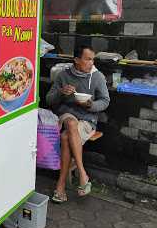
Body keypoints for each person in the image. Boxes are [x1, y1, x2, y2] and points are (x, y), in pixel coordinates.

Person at [46, 45, 110, 203]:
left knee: (66, 137)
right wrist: (61, 93)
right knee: (70, 122)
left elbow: (105, 101)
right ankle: (82, 174)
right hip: (67, 115)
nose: (91, 63)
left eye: (92, 59)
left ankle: (60, 186)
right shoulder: (63, 75)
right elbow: (49, 99)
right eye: (88, 59)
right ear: (76, 60)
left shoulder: (97, 77)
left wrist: (90, 105)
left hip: (88, 120)